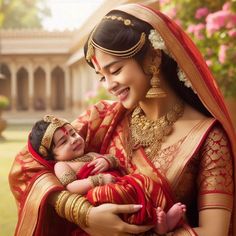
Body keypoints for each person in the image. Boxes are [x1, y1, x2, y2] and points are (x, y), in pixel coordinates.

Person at [9, 3, 236, 236]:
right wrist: (81, 212)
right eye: (102, 77)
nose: (109, 86)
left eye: (115, 70)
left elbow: (214, 232)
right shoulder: (104, 118)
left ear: (153, 59)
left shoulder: (210, 138)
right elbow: (28, 165)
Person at [29, 114, 186, 235]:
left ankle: (156, 218)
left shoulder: (90, 154)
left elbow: (114, 160)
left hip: (121, 182)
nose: (73, 140)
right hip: (99, 196)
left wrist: (108, 161)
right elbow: (71, 187)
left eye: (73, 133)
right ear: (51, 156)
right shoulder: (62, 165)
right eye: (63, 142)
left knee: (142, 180)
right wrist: (98, 180)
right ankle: (152, 225)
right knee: (109, 192)